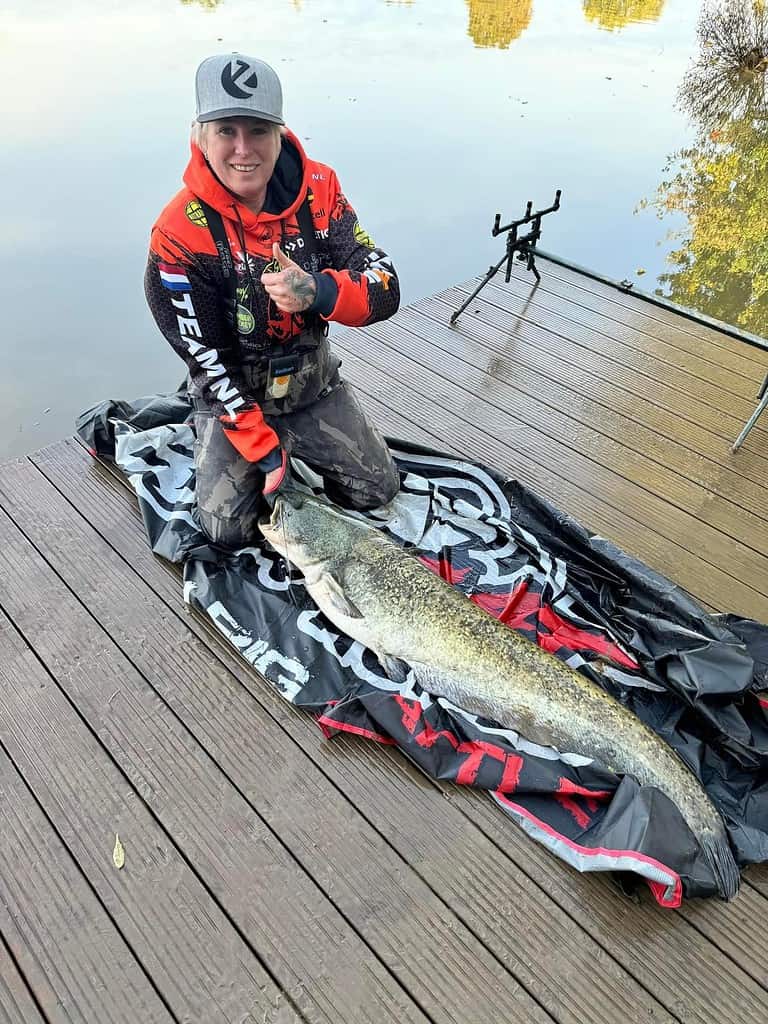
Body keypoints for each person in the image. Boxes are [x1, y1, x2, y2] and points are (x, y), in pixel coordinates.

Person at [145, 53, 401, 548]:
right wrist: (263, 450)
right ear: (199, 134)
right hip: (233, 394)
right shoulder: (178, 235)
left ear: (280, 133)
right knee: (228, 531)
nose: (244, 149)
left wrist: (319, 291)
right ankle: (212, 434)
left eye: (259, 130)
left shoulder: (320, 189)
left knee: (378, 489)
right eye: (226, 131)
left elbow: (385, 287)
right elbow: (205, 360)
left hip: (313, 385)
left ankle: (300, 438)